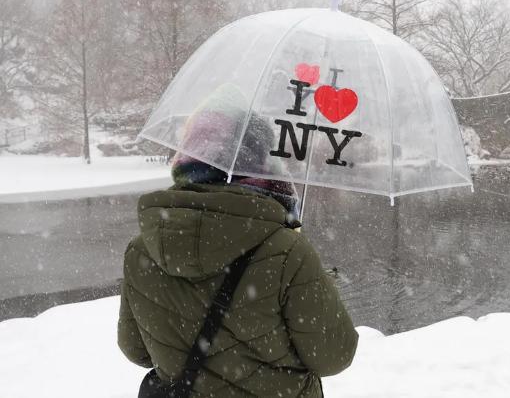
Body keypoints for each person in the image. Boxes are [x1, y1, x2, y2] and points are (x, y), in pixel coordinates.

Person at [117, 84, 358, 397]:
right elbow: (334, 355)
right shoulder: (287, 252)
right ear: (259, 161)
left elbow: (137, 350)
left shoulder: (142, 249)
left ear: (187, 156)